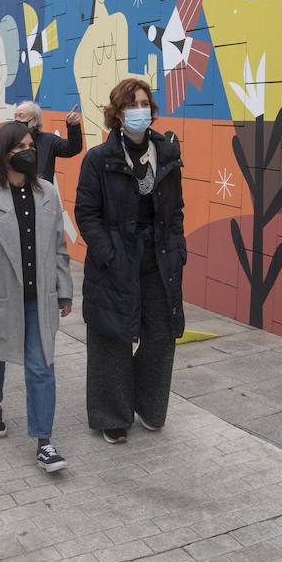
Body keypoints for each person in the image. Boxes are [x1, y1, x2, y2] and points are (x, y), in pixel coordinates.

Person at [75, 77, 186, 445]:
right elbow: (86, 213)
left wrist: (176, 244)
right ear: (117, 114)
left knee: (161, 334)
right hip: (116, 259)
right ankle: (113, 415)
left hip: (158, 256)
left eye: (144, 103)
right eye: (131, 104)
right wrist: (108, 252)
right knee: (112, 338)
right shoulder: (98, 159)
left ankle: (149, 405)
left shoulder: (166, 152)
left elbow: (176, 208)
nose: (140, 110)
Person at [0, 121, 74, 473]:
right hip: (0, 300)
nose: (29, 151)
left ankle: (44, 441)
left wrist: (64, 290)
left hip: (38, 299)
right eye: (20, 147)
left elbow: (58, 247)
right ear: (4, 154)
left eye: (31, 145)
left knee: (42, 368)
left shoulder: (48, 194)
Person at [13, 101, 84, 183]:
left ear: (35, 121)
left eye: (21, 116)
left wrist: (73, 126)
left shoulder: (49, 141)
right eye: (15, 116)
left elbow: (72, 148)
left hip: (41, 193)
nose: (17, 120)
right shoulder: (8, 140)